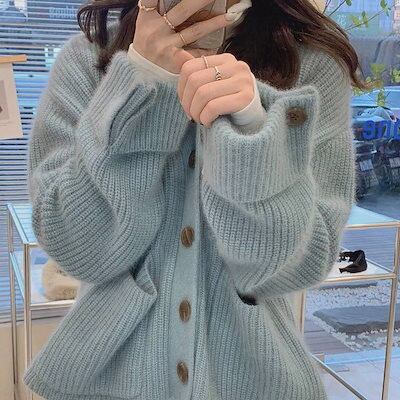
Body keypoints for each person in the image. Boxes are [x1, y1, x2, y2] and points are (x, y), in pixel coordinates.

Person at [23, 0, 367, 399]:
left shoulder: (311, 65)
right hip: (106, 382)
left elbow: (298, 265)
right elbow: (80, 250)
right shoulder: (89, 59)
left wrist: (254, 129)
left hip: (254, 381)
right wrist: (137, 83)